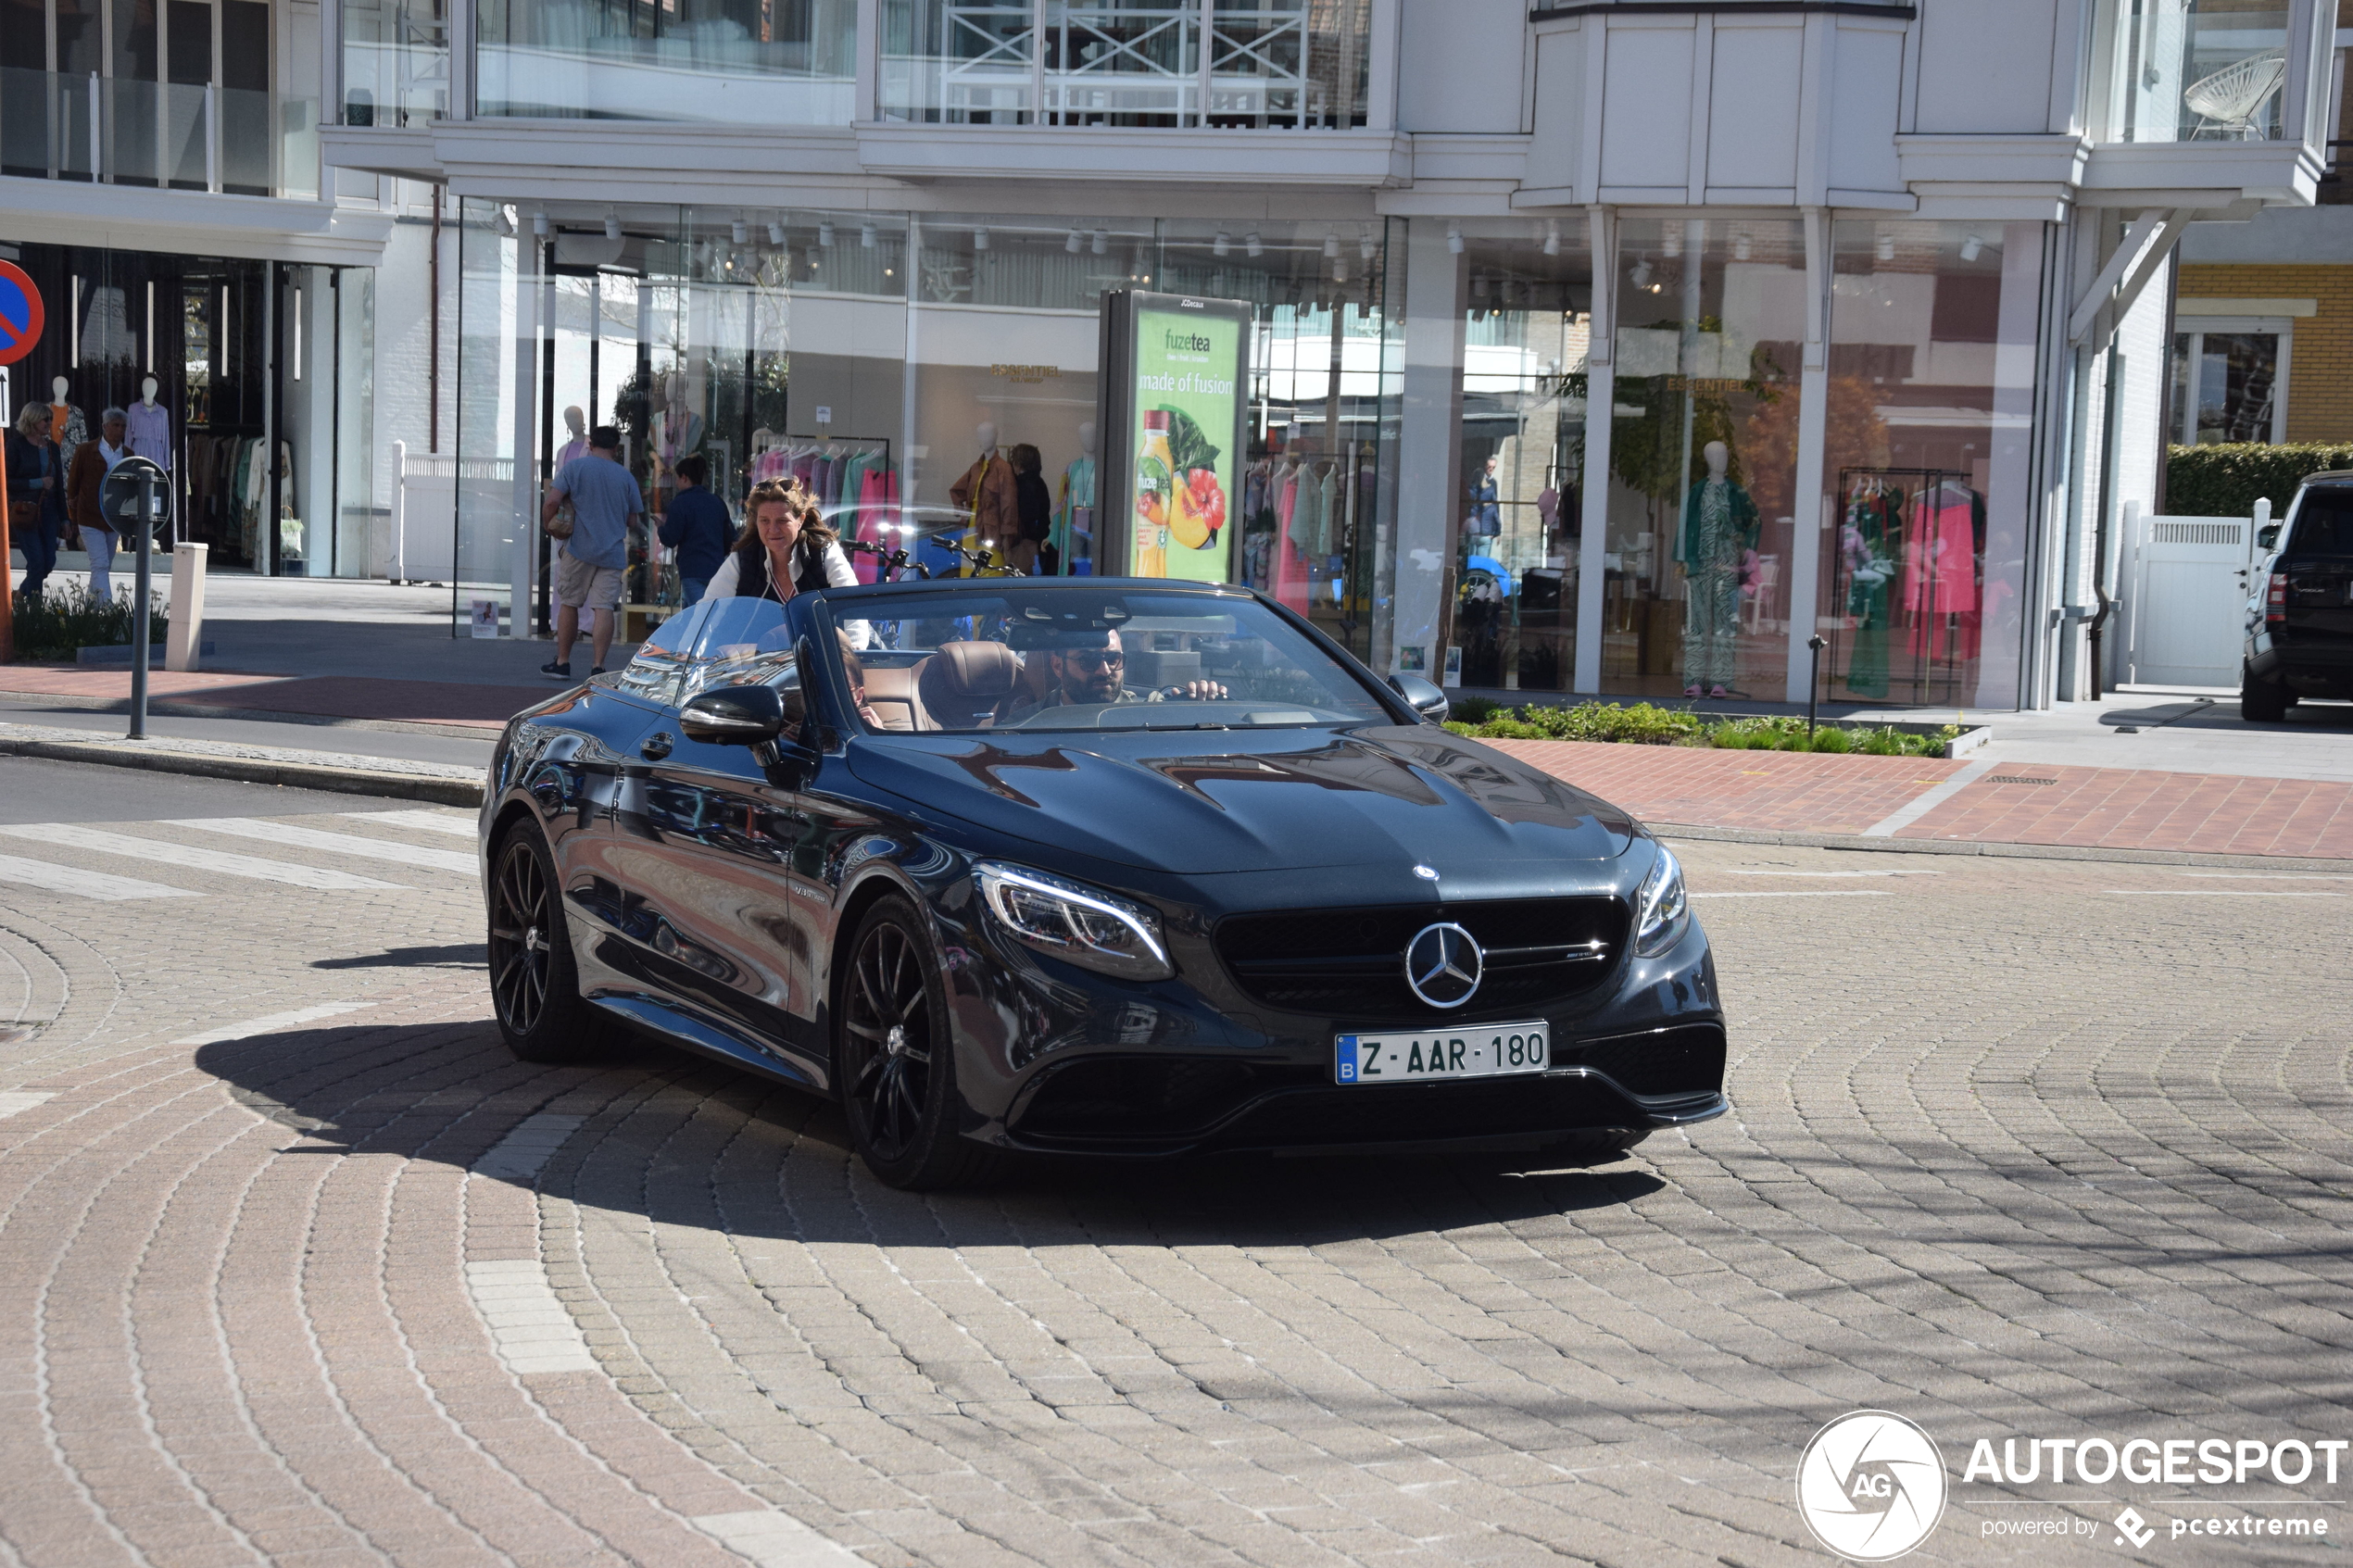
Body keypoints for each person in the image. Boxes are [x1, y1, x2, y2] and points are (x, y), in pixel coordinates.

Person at [538, 424, 641, 680]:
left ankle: (562, 662)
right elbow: (632, 521)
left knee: (570, 603)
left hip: (579, 549)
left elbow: (551, 501)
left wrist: (550, 527)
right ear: (616, 448)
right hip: (613, 553)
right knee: (603, 608)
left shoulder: (574, 469)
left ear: (591, 444)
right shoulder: (626, 477)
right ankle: (598, 666)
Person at [997, 627, 1227, 722]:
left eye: (1113, 658)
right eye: (1088, 661)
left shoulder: (1149, 711)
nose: (1105, 670)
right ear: (1058, 666)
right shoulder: (1024, 725)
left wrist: (1204, 710)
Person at [706, 477, 860, 605]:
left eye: (782, 521)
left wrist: (854, 643)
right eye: (765, 521)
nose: (773, 529)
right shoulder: (742, 560)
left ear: (800, 520)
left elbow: (853, 606)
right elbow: (706, 613)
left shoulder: (824, 553)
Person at [66, 407, 128, 604]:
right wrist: (72, 518)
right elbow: (73, 486)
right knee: (100, 563)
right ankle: (106, 607)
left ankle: (89, 607)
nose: (119, 430)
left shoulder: (129, 454)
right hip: (89, 517)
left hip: (113, 520)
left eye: (123, 426)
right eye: (115, 425)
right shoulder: (85, 451)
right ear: (104, 427)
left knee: (104, 565)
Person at [6, 403, 67, 602]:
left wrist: (65, 518)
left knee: (48, 561)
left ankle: (21, 594)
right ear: (32, 420)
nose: (50, 423)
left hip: (50, 511)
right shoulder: (16, 446)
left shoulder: (52, 448)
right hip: (25, 510)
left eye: (51, 419)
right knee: (36, 561)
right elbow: (6, 481)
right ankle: (35, 612)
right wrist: (36, 483)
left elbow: (58, 485)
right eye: (45, 419)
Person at [658, 452, 731, 606]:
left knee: (700, 617)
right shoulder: (716, 502)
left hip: (692, 569)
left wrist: (661, 528)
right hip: (716, 569)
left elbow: (670, 539)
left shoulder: (680, 503)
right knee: (704, 613)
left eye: (677, 478)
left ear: (684, 477)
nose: (676, 483)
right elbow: (730, 538)